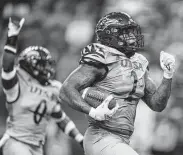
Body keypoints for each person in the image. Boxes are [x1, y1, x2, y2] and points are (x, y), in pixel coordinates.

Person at [59, 12, 176, 155]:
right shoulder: (102, 57)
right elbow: (66, 90)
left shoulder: (139, 62)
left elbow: (157, 104)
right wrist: (92, 111)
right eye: (126, 33)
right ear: (110, 35)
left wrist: (167, 75)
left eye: (132, 32)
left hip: (123, 139)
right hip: (101, 136)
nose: (132, 37)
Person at [1, 18, 83, 155]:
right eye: (42, 65)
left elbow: (61, 118)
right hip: (16, 142)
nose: (47, 69)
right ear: (30, 65)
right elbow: (7, 66)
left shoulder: (50, 89)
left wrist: (80, 138)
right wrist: (12, 38)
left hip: (36, 147)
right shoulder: (18, 84)